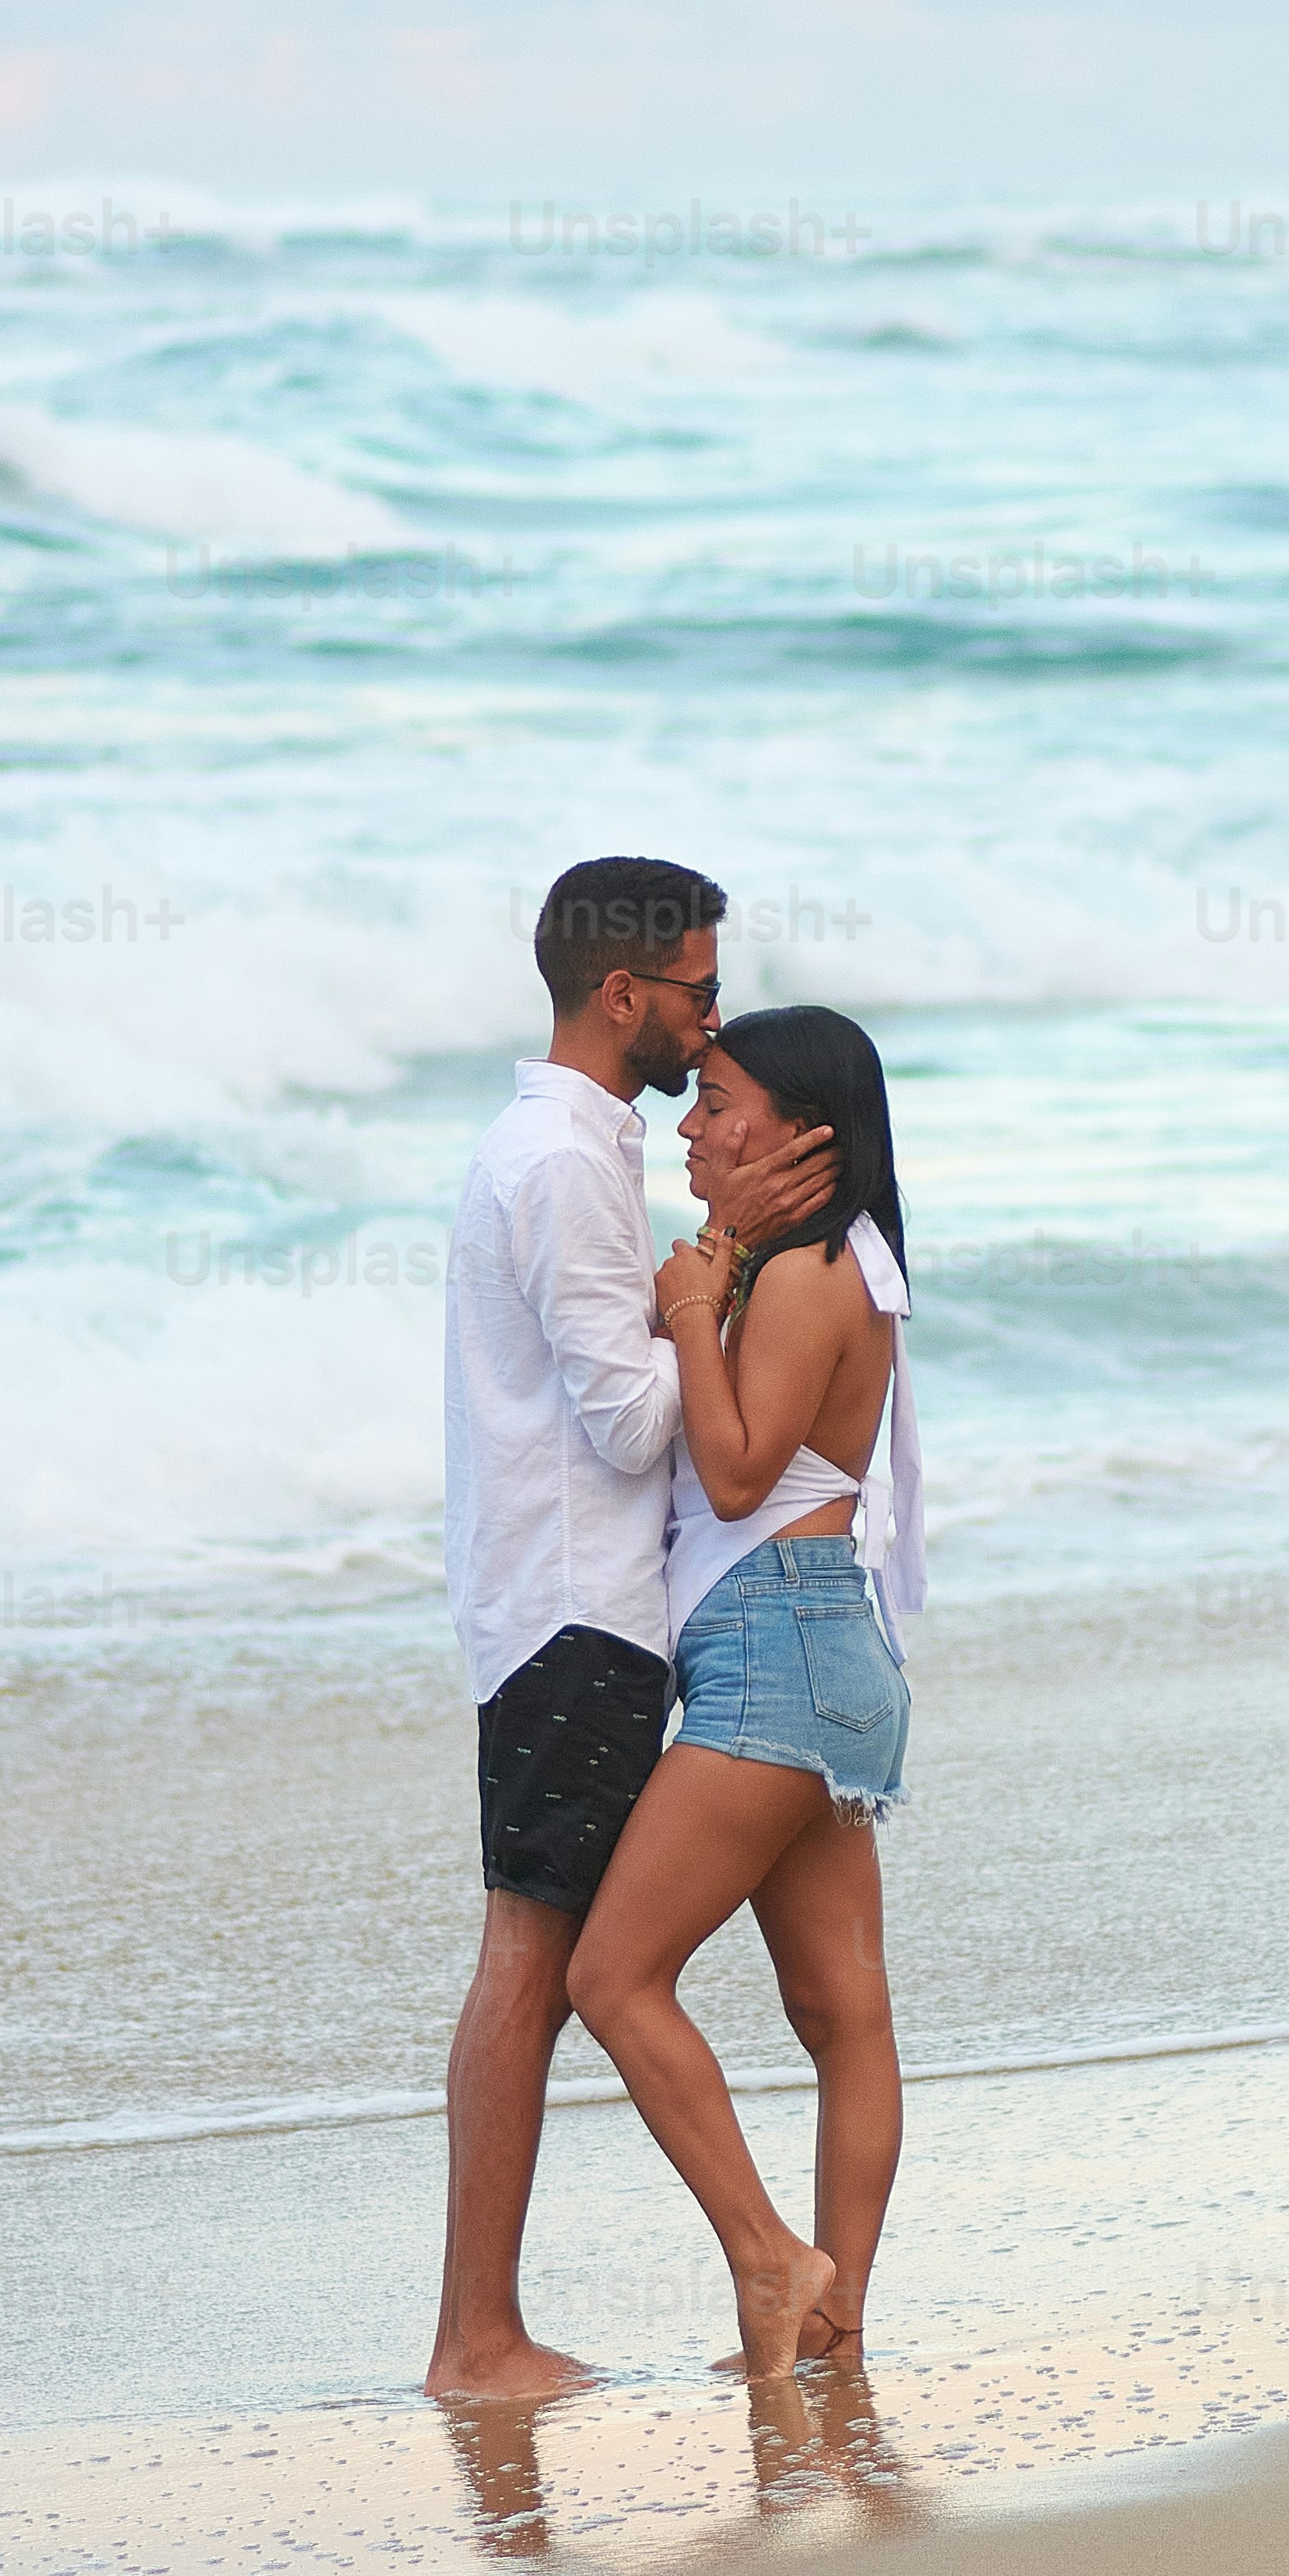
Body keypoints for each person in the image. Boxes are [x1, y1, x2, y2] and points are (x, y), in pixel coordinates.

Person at [428, 860, 831, 2400]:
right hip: (574, 1613)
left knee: (550, 1962)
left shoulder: (567, 1147)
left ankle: (514, 2322)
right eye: (699, 995)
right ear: (622, 996)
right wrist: (715, 1275)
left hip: (562, 1607)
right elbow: (630, 1423)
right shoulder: (563, 1165)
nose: (712, 1024)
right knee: (539, 1962)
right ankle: (484, 2335)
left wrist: (701, 1278)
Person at [567, 1007, 923, 2384]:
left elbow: (728, 1473)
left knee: (612, 1975)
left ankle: (772, 2260)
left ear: (803, 1135)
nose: (691, 1125)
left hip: (776, 1645)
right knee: (841, 2014)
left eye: (719, 1102)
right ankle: (834, 2324)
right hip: (822, 1641)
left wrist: (685, 1306)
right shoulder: (851, 1261)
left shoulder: (802, 1279)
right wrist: (718, 1266)